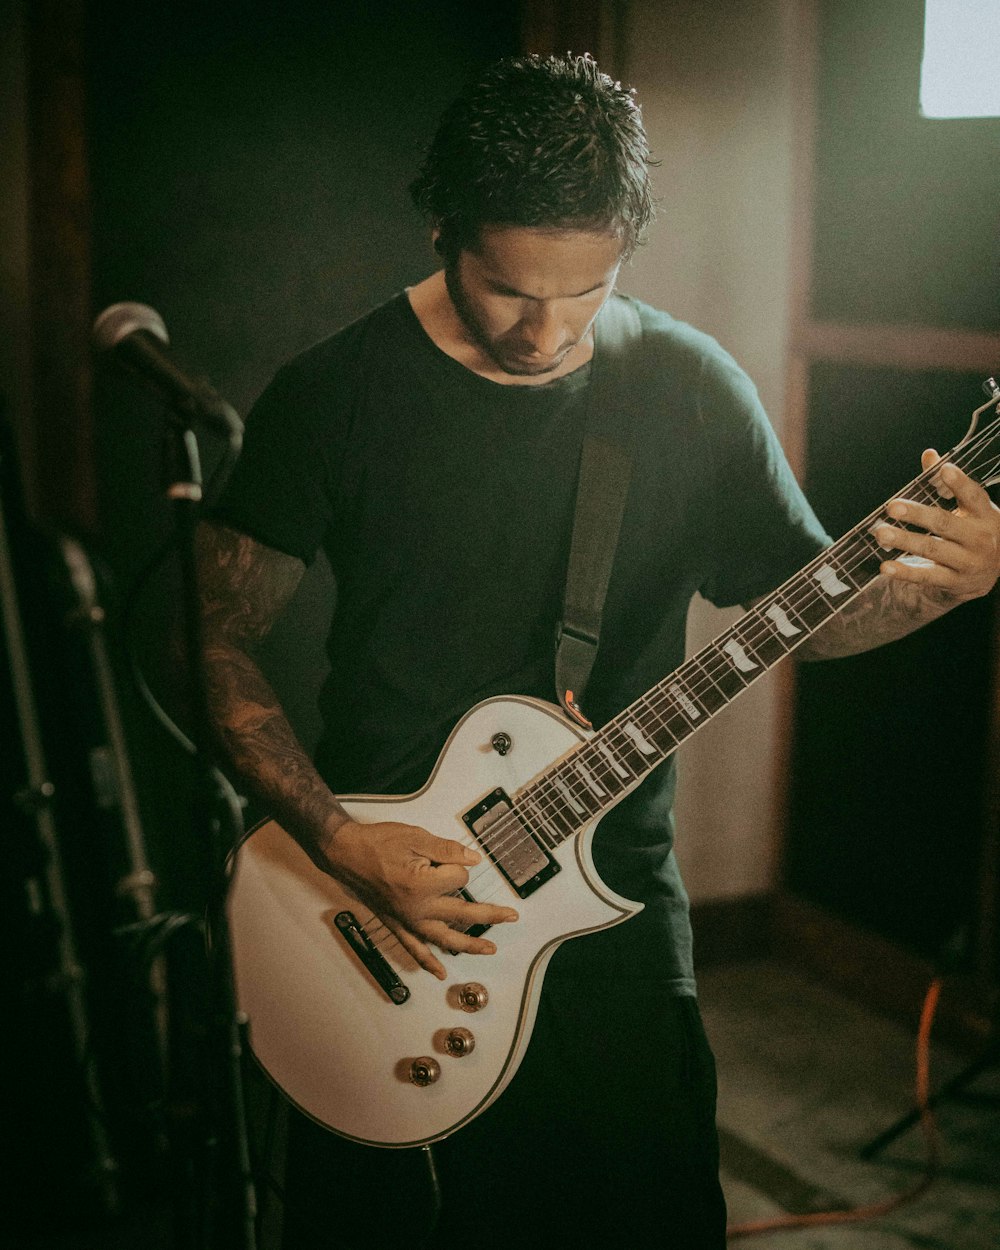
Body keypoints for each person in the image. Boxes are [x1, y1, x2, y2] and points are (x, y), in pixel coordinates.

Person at [196, 53, 1000, 1249]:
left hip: (610, 891)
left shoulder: (685, 387)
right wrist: (336, 833)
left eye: (586, 290)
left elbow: (812, 617)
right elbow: (207, 641)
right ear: (441, 227)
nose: (546, 328)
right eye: (509, 288)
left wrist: (952, 585)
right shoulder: (336, 391)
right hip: (374, 901)